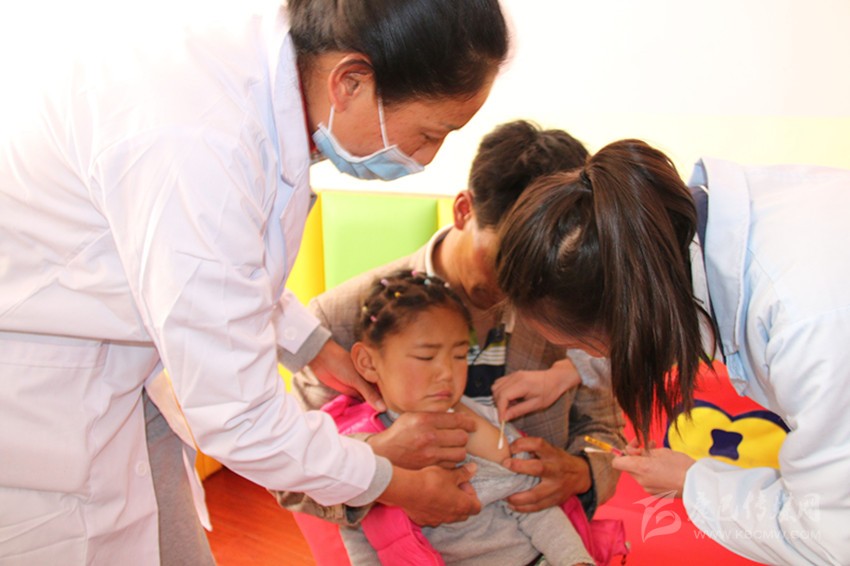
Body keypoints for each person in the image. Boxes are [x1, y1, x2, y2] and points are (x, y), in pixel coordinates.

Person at [0, 0, 509, 563]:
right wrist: (391, 482)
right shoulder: (198, 138)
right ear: (351, 82)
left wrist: (311, 345)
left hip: (115, 376)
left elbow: (227, 264)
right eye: (431, 133)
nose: (427, 159)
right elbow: (240, 416)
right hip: (42, 407)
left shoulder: (256, 80)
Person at [494, 138, 850, 565]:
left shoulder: (806, 322)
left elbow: (829, 535)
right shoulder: (691, 238)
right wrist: (567, 372)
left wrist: (695, 483)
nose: (598, 360)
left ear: (626, 319)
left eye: (585, 347)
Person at [279, 121, 623, 526]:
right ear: (463, 210)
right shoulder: (339, 320)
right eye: (508, 260)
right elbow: (290, 484)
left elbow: (605, 433)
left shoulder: (563, 306)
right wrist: (378, 461)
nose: (526, 290)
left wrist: (582, 473)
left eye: (541, 269)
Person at [325, 270, 597, 565]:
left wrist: (575, 560)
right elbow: (360, 535)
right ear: (367, 362)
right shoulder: (356, 448)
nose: (446, 373)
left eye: (459, 356)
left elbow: (531, 500)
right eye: (426, 357)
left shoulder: (479, 420)